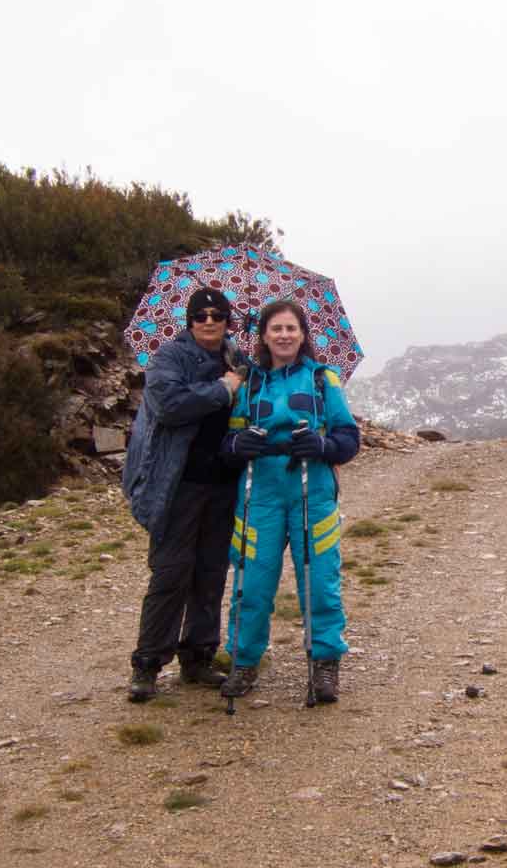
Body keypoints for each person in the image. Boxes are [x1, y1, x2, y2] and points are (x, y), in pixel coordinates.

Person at [220, 300, 360, 703]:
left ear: (303, 335)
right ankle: (244, 663)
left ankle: (324, 665)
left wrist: (321, 445)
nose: (284, 335)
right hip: (258, 495)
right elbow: (226, 444)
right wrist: (237, 444)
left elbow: (348, 439)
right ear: (263, 335)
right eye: (276, 328)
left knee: (319, 582)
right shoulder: (248, 383)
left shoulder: (323, 380)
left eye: (291, 328)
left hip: (310, 492)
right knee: (253, 581)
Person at [121, 288, 246, 703]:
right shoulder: (168, 358)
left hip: (224, 485)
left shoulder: (239, 360)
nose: (208, 321)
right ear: (188, 320)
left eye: (217, 314)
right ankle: (147, 665)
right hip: (177, 486)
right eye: (200, 314)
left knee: (210, 574)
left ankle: (198, 658)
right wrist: (224, 389)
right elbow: (170, 405)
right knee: (171, 573)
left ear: (229, 320)